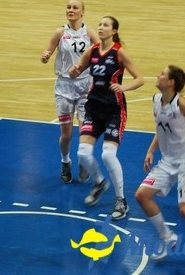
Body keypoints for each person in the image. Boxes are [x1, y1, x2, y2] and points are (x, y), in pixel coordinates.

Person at [135, 66, 185, 275]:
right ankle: (167, 236)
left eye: (162, 74)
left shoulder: (182, 104)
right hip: (168, 160)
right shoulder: (156, 100)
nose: (158, 75)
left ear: (171, 82)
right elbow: (161, 128)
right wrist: (151, 150)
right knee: (142, 196)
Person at [69, 16, 144, 220]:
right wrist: (73, 71)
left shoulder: (119, 53)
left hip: (114, 110)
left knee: (107, 155)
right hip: (93, 108)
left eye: (105, 25)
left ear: (114, 31)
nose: (101, 28)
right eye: (100, 24)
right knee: (83, 153)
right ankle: (100, 182)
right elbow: (78, 69)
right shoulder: (92, 50)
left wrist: (124, 86)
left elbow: (140, 79)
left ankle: (121, 200)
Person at [40, 0, 99, 184]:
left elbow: (102, 52)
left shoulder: (88, 32)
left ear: (83, 12)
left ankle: (83, 160)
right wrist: (45, 57)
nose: (71, 10)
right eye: (68, 7)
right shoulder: (60, 32)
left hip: (85, 86)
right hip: (64, 86)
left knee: (85, 131)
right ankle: (65, 162)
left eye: (75, 8)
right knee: (66, 133)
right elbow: (47, 52)